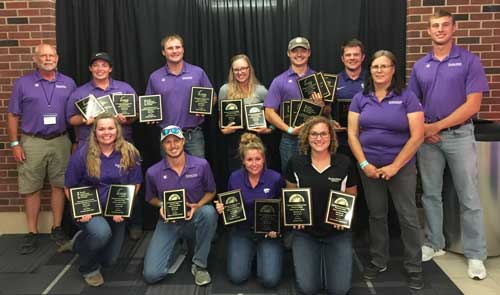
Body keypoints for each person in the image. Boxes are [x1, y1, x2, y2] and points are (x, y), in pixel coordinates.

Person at [408, 9, 489, 280]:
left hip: (460, 135)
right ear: (428, 31)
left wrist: (435, 127)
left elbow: (473, 105)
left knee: (469, 196)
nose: (440, 30)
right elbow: (412, 104)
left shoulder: (469, 61)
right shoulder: (421, 65)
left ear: (454, 28)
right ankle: (434, 243)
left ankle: (476, 254)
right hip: (428, 139)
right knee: (431, 194)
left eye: (444, 25)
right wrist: (424, 130)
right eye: (434, 26)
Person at [347, 50, 424, 289]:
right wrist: (364, 164)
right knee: (377, 214)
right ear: (370, 70)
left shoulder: (408, 97)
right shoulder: (361, 97)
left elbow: (418, 135)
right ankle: (379, 259)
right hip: (369, 168)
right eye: (375, 66)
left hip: (401, 167)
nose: (379, 70)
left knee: (407, 216)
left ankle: (414, 266)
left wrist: (394, 166)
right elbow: (352, 134)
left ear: (393, 69)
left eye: (384, 66)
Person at [7, 43, 77, 254]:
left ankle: (56, 228)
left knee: (59, 185)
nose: (48, 59)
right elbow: (12, 115)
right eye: (43, 56)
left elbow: (75, 114)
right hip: (32, 140)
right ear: (35, 59)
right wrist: (14, 143)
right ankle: (32, 232)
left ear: (57, 58)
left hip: (60, 139)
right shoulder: (23, 83)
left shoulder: (68, 83)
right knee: (31, 188)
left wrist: (75, 141)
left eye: (51, 55)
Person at [63, 114, 142, 287]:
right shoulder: (82, 154)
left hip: (115, 211)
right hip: (90, 210)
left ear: (117, 130)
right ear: (95, 131)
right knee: (101, 234)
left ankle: (80, 240)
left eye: (110, 128)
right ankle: (88, 268)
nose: (106, 133)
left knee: (109, 260)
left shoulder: (129, 152)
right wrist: (80, 210)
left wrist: (123, 207)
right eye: (101, 129)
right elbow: (68, 186)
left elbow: (136, 183)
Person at [285, 116, 357, 295]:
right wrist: (295, 217)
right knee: (308, 288)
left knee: (339, 290)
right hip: (305, 233)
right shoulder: (296, 163)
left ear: (331, 137)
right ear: (307, 137)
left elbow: (351, 194)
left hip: (337, 233)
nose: (319, 138)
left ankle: (328, 257)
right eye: (314, 134)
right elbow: (291, 194)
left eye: (323, 134)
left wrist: (344, 218)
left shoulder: (344, 163)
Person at [143, 125, 218, 286]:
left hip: (194, 219)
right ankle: (176, 246)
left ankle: (199, 264)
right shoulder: (153, 172)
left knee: (209, 212)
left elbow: (211, 192)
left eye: (176, 140)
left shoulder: (201, 165)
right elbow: (150, 198)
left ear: (183, 141)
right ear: (162, 145)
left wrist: (198, 205)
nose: (173, 145)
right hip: (168, 222)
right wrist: (161, 205)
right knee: (151, 275)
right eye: (168, 142)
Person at [214, 133, 284, 288]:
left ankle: (262, 256)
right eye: (249, 160)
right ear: (243, 161)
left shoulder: (275, 178)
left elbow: (283, 206)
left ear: (264, 159)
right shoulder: (234, 177)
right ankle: (251, 255)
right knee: (237, 277)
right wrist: (222, 208)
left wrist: (276, 227)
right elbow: (231, 204)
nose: (254, 164)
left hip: (267, 234)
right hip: (242, 231)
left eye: (258, 159)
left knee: (270, 280)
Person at [145, 34, 214, 158]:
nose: (175, 51)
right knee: (170, 173)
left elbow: (212, 97)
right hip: (168, 136)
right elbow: (148, 104)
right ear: (163, 52)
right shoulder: (155, 77)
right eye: (170, 48)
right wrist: (148, 115)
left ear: (183, 49)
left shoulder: (198, 73)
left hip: (193, 136)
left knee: (197, 173)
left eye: (177, 47)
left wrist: (206, 106)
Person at [264, 37, 324, 172]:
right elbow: (269, 112)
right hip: (289, 139)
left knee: (316, 176)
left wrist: (321, 106)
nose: (299, 55)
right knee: (291, 178)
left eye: (303, 51)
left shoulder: (319, 79)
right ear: (288, 53)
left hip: (316, 137)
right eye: (294, 51)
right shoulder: (279, 81)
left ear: (309, 53)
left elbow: (327, 111)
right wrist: (289, 129)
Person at [67, 52, 137, 148]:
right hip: (90, 145)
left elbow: (136, 114)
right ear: (90, 68)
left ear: (110, 69)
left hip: (121, 143)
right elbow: (71, 119)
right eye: (95, 66)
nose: (100, 69)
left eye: (104, 65)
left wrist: (126, 120)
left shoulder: (125, 88)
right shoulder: (79, 92)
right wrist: (84, 119)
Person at [219, 54, 272, 173]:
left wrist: (268, 130)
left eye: (243, 68)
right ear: (232, 71)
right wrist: (223, 129)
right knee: (237, 178)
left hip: (256, 142)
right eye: (236, 69)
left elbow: (273, 115)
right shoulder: (224, 90)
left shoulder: (261, 91)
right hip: (234, 143)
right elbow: (220, 119)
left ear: (249, 69)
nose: (240, 72)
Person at [330, 38, 367, 154]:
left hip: (366, 141)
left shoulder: (372, 80)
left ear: (363, 57)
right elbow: (327, 109)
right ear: (342, 58)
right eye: (348, 55)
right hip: (342, 142)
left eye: (356, 54)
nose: (352, 58)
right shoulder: (333, 81)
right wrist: (330, 121)